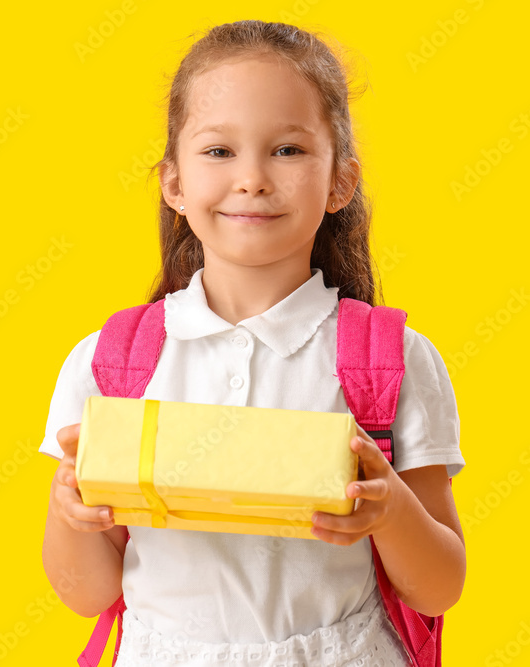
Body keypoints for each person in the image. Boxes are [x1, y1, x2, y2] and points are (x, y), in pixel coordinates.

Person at [39, 20, 466, 666]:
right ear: (174, 183)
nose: (253, 179)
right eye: (219, 152)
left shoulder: (393, 360)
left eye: (288, 150)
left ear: (340, 182)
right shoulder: (108, 362)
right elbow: (87, 591)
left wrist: (388, 510)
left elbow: (441, 585)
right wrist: (70, 510)